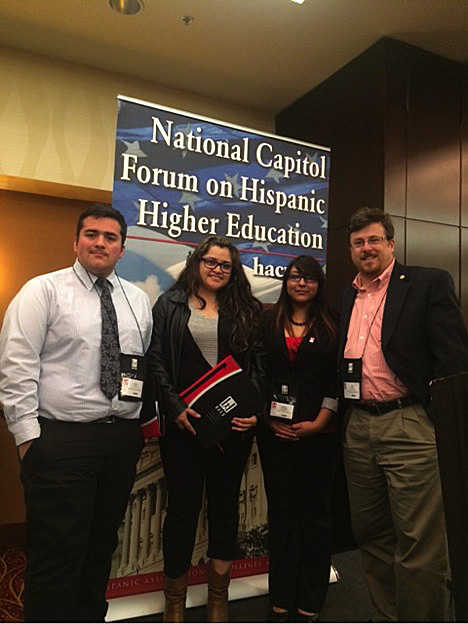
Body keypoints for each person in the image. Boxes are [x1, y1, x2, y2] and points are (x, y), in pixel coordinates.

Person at [0, 205, 152, 622]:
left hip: (119, 440)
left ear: (123, 248)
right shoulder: (42, 291)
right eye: (91, 234)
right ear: (76, 241)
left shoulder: (137, 300)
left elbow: (140, 365)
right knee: (56, 556)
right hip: (60, 441)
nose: (100, 242)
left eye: (110, 237)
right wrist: (29, 441)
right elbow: (16, 368)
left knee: (101, 548)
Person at [339, 207, 468, 622]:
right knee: (371, 535)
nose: (366, 248)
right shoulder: (348, 295)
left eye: (374, 240)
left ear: (391, 244)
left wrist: (434, 419)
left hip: (407, 421)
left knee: (420, 542)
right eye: (358, 242)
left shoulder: (426, 284)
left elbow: (454, 360)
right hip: (359, 426)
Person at [148, 235, 266, 623]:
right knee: (181, 510)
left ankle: (219, 598)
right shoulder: (170, 304)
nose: (217, 269)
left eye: (225, 265)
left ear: (234, 272)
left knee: (225, 508)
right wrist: (174, 406)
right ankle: (175, 602)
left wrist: (255, 410)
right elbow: (157, 361)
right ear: (197, 263)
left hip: (232, 428)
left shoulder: (246, 308)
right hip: (183, 429)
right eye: (211, 262)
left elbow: (259, 366)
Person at [257, 255, 339, 623]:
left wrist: (321, 422)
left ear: (318, 284)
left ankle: (312, 596)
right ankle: (282, 594)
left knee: (316, 515)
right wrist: (268, 419)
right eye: (294, 277)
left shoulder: (334, 324)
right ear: (286, 282)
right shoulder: (267, 320)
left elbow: (339, 378)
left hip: (319, 435)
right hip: (275, 434)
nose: (301, 283)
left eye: (309, 278)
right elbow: (256, 373)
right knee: (283, 514)